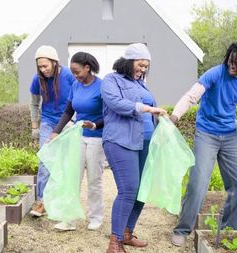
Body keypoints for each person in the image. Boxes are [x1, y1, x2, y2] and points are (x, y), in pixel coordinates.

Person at [170, 42, 237, 246]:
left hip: (230, 136)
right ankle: (182, 230)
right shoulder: (214, 74)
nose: (232, 66)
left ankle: (227, 229)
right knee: (198, 183)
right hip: (206, 133)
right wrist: (175, 116)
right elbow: (191, 96)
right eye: (230, 60)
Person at [101, 43, 167, 253]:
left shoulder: (142, 85)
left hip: (145, 142)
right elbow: (116, 103)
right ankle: (115, 242)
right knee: (128, 189)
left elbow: (150, 112)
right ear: (129, 61)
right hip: (121, 141)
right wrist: (146, 108)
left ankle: (127, 233)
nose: (143, 69)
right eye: (140, 65)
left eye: (146, 66)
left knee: (141, 190)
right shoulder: (112, 80)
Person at [48, 52, 106, 231]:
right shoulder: (75, 85)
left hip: (97, 137)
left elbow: (109, 114)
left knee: (94, 179)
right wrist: (56, 132)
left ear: (87, 68)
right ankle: (69, 219)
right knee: (72, 177)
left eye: (77, 72)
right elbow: (68, 111)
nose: (75, 76)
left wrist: (95, 124)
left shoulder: (102, 86)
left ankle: (96, 217)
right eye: (73, 73)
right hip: (78, 137)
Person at [29, 45, 76, 217]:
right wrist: (35, 125)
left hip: (67, 122)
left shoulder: (68, 76)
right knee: (45, 160)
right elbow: (34, 103)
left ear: (55, 63)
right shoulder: (37, 79)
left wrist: (75, 120)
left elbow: (77, 98)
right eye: (40, 66)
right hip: (48, 122)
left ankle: (61, 201)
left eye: (45, 66)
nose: (43, 69)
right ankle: (41, 201)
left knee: (65, 162)